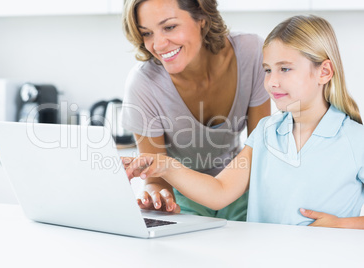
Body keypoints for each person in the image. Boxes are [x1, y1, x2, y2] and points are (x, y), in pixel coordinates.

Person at [124, 14, 364, 229]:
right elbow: (219, 191)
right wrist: (164, 165)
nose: (272, 82)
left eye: (285, 69)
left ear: (324, 72)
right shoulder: (266, 133)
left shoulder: (355, 140)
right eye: (268, 70)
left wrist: (344, 225)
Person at [121, 0, 270, 221]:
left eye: (169, 27)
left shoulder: (252, 53)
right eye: (147, 33)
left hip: (240, 184)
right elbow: (156, 178)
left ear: (202, 17)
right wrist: (158, 198)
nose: (159, 44)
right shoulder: (144, 84)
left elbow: (260, 151)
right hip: (183, 192)